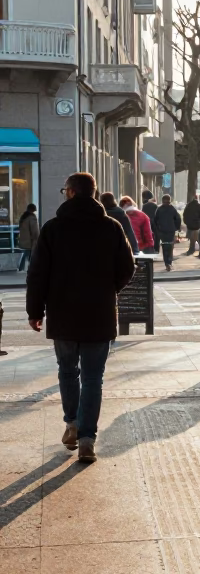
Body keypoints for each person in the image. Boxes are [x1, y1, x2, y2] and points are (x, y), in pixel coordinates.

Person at [26, 171, 135, 463]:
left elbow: (37, 275)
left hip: (63, 314)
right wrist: (109, 288)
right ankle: (87, 439)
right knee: (93, 378)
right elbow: (128, 267)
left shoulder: (53, 229)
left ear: (72, 193)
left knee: (67, 371)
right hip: (99, 314)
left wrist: (35, 312)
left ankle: (72, 422)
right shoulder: (111, 228)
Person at [154, 194, 182, 270]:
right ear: (169, 200)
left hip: (162, 231)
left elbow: (155, 220)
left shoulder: (159, 209)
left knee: (164, 246)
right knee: (170, 246)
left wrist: (158, 229)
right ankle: (169, 262)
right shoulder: (172, 209)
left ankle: (166, 263)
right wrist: (177, 227)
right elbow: (178, 219)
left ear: (162, 200)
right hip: (171, 230)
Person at [16, 202, 39, 271]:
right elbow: (35, 230)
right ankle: (27, 269)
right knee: (31, 256)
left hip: (24, 241)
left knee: (26, 255)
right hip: (30, 241)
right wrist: (37, 238)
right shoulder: (31, 218)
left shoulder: (23, 217)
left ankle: (21, 268)